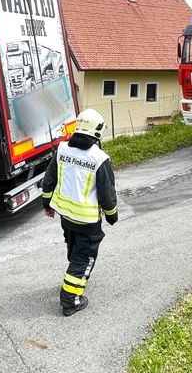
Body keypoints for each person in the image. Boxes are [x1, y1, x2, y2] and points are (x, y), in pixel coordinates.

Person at [42, 108, 118, 316]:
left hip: (66, 216)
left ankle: (72, 280)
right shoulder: (99, 158)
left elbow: (49, 180)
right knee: (84, 258)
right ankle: (71, 300)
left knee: (74, 249)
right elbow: (106, 193)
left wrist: (47, 204)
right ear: (97, 131)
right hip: (86, 220)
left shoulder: (63, 149)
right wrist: (112, 215)